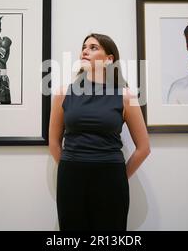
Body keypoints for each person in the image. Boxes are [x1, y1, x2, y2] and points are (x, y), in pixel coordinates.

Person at [49, 33, 151, 231]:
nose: (85, 51)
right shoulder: (63, 92)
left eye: (94, 47)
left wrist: (119, 176)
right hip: (71, 177)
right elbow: (54, 142)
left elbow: (144, 148)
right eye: (84, 47)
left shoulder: (125, 95)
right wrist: (71, 167)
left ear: (109, 59)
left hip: (110, 179)